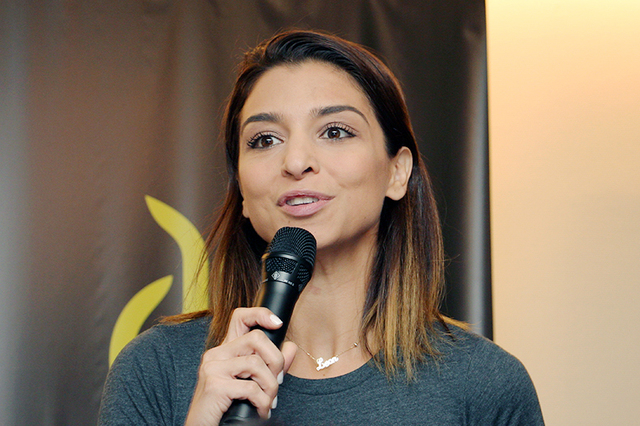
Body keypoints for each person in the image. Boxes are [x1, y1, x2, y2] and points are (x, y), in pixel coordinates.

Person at [99, 30, 544, 425]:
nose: (295, 162)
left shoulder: (484, 383)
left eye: (334, 131)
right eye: (264, 139)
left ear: (397, 172)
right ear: (242, 192)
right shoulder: (156, 370)